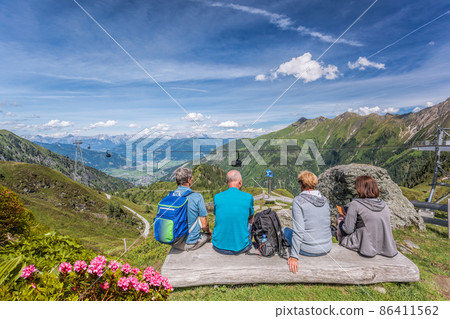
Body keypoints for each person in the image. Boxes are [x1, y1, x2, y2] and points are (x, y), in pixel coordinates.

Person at [337, 175, 398, 258]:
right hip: (386, 246)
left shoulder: (355, 204)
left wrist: (341, 221)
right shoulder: (383, 204)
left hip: (365, 245)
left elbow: (348, 230)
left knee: (340, 220)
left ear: (360, 188)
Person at [284, 171, 332, 274]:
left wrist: (294, 256)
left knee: (285, 230)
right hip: (327, 247)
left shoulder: (298, 201)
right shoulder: (324, 200)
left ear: (301, 184)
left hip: (308, 249)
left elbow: (299, 230)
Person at [212, 170, 254, 255]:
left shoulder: (217, 197)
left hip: (218, 246)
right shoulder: (248, 197)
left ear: (227, 182)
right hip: (242, 247)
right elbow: (250, 218)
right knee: (250, 222)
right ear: (240, 182)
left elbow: (217, 215)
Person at [170, 167, 212, 251]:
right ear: (189, 180)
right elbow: (204, 226)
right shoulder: (197, 197)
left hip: (174, 242)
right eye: (192, 178)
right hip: (191, 243)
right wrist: (209, 232)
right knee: (209, 235)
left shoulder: (170, 196)